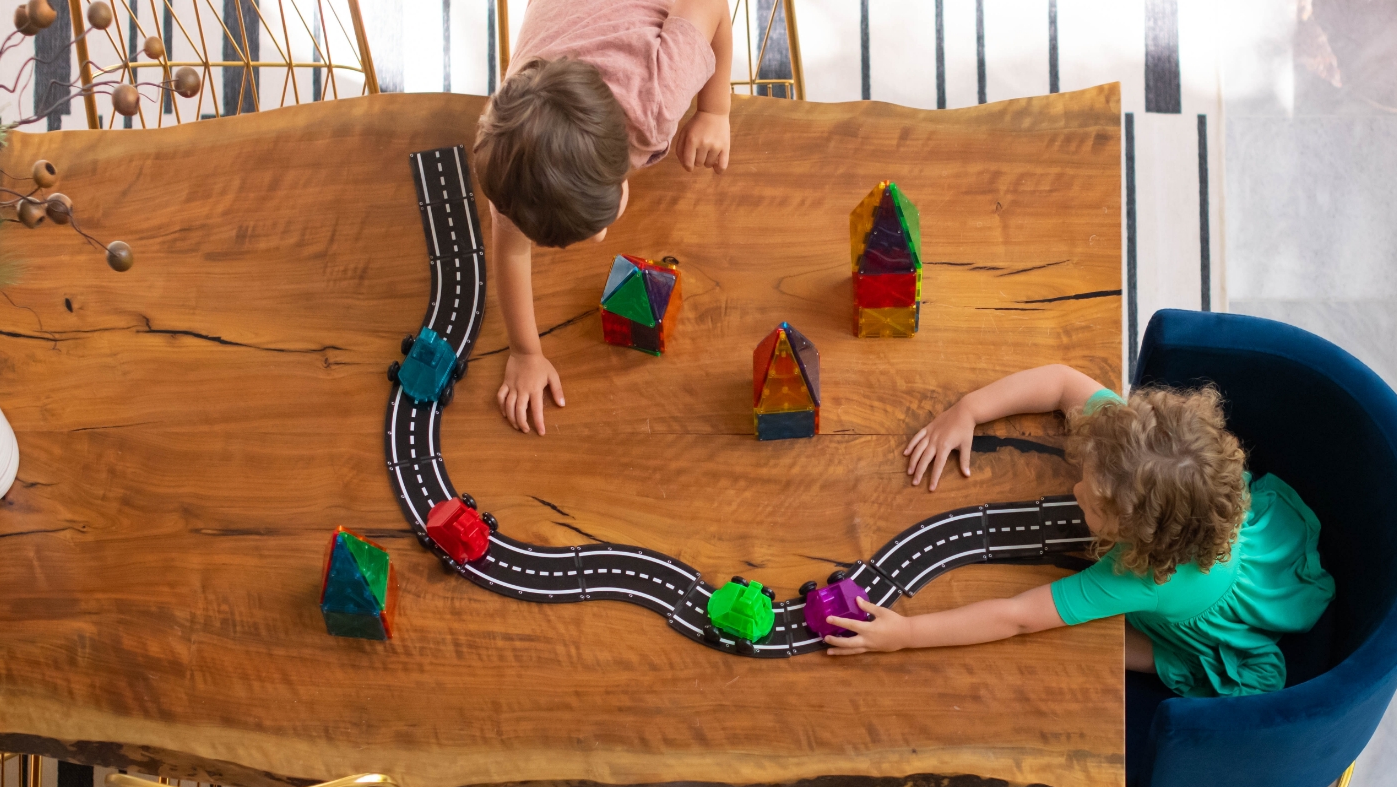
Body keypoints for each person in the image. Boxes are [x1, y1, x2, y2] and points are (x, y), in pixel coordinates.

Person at [825, 364, 1336, 698]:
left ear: (1135, 538)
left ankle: (1176, 664)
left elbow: (1016, 617)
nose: (1075, 489)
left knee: (1094, 642)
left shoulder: (1133, 578)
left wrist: (906, 634)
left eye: (1092, 501)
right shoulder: (1138, 451)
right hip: (1245, 556)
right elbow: (1064, 381)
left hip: (1207, 633)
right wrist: (969, 411)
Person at [473, 0, 733, 435]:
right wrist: (524, 353)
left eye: (602, 214)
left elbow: (711, 4)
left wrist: (714, 108)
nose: (600, 238)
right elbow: (510, 248)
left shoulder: (656, 98)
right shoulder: (513, 165)